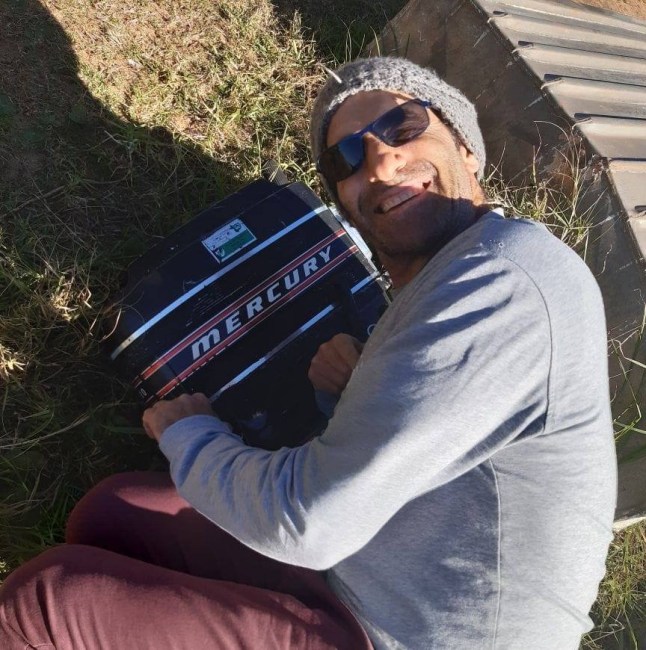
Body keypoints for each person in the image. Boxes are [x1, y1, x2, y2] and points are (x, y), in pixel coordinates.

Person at [0, 56, 617, 649]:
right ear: (345, 202)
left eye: (403, 124)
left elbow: (309, 521)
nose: (380, 159)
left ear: (465, 146)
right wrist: (351, 391)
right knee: (112, 514)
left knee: (40, 605)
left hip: (412, 636)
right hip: (371, 574)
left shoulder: (501, 277)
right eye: (348, 156)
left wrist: (190, 435)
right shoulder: (455, 276)